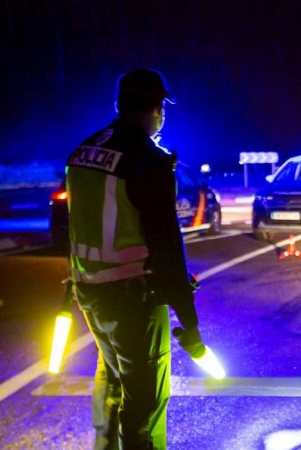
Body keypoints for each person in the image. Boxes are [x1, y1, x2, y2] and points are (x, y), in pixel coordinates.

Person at [64, 68, 204, 449]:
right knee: (145, 407)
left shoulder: (83, 151)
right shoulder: (149, 160)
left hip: (90, 294)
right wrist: (190, 326)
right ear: (158, 108)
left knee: (115, 384)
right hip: (134, 300)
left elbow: (70, 226)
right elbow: (166, 245)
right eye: (162, 108)